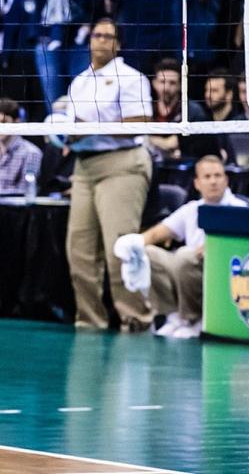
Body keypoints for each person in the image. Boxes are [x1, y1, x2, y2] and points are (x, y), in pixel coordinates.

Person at [64, 18, 154, 332]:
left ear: (118, 43)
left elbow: (139, 124)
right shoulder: (79, 81)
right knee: (79, 251)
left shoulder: (131, 78)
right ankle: (89, 320)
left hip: (122, 164)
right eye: (96, 34)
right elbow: (72, 126)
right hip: (84, 165)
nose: (101, 40)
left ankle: (136, 319)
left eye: (108, 36)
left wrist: (89, 127)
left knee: (120, 249)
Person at [120, 156, 249, 340]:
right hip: (187, 269)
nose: (213, 181)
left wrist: (216, 247)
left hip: (221, 273)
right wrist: (134, 243)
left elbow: (246, 247)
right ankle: (172, 316)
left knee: (184, 255)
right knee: (148, 253)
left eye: (218, 176)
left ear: (226, 180)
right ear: (197, 183)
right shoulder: (191, 209)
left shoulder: (241, 209)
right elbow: (158, 233)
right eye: (207, 177)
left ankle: (192, 319)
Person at [147, 57, 206, 160]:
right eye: (162, 82)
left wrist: (150, 140)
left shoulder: (193, 111)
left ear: (180, 85)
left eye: (172, 83)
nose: (166, 88)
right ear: (154, 83)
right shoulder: (146, 109)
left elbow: (173, 143)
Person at [0, 98, 43, 196]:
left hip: (18, 205)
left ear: (16, 122)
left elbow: (26, 191)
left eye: (4, 122)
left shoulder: (31, 152)